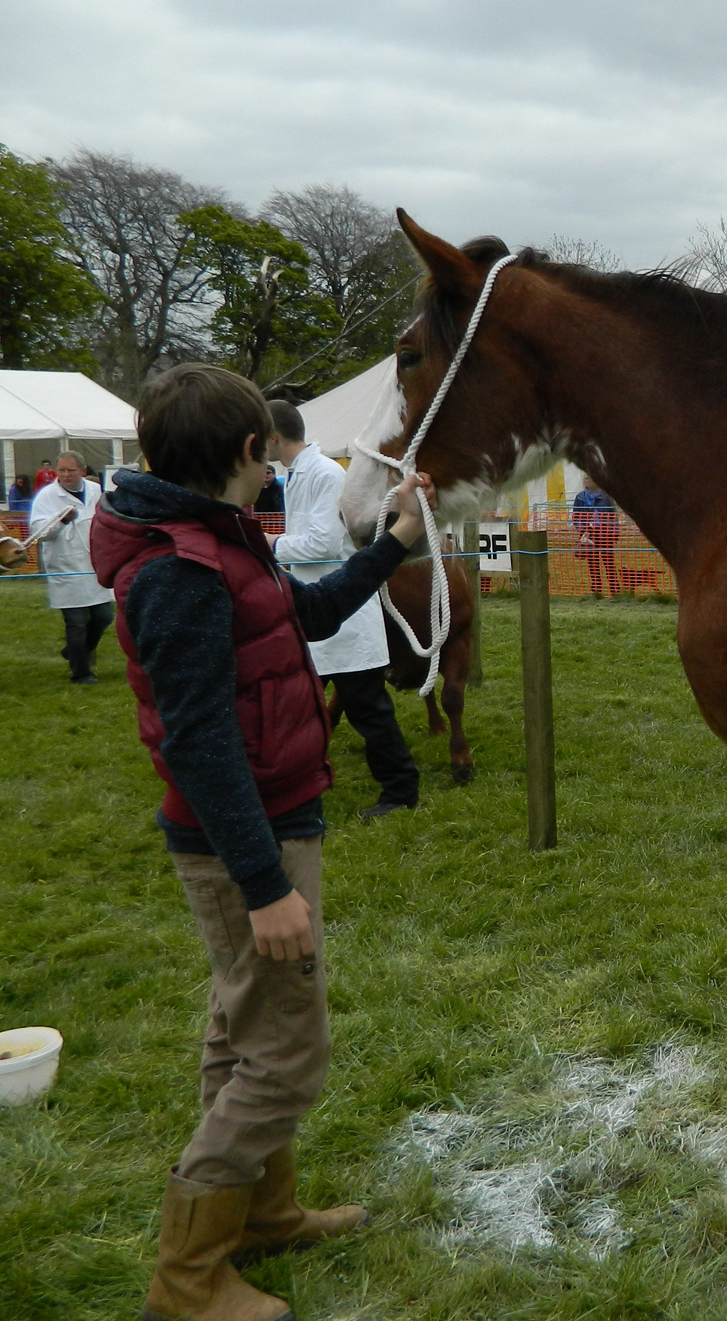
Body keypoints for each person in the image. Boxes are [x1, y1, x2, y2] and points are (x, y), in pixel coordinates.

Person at [90, 364, 437, 1320]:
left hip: (268, 827)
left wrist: (392, 544)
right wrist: (263, 884)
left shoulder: (219, 545)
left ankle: (263, 1213)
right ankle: (188, 1276)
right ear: (253, 454)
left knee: (243, 1029)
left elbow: (305, 614)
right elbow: (199, 744)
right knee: (287, 1054)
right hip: (249, 843)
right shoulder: (183, 572)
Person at [267, 399, 419, 821]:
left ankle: (402, 790)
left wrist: (268, 544)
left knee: (369, 712)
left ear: (273, 437)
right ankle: (297, 784)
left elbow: (325, 543)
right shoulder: (297, 474)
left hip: (344, 613)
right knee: (297, 709)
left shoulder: (325, 473)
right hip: (315, 612)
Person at [28, 451, 116, 683]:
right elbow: (39, 534)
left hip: (93, 564)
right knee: (76, 623)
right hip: (66, 566)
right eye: (62, 470)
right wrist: (61, 521)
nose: (65, 475)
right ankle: (81, 673)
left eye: (71, 470)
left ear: (83, 471)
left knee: (104, 616)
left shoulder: (96, 490)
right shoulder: (47, 497)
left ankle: (75, 651)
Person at [572, 474, 618, 597]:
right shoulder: (580, 497)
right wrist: (583, 529)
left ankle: (615, 591)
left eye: (589, 478)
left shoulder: (606, 496)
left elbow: (613, 516)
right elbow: (575, 516)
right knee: (592, 564)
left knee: (609, 563)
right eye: (585, 479)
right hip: (588, 535)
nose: (587, 481)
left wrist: (615, 532)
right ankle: (597, 591)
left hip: (605, 534)